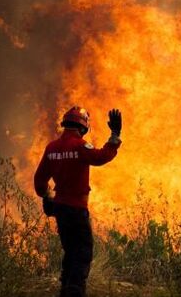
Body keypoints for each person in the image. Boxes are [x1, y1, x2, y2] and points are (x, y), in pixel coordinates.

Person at [33, 106, 122, 297]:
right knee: (82, 252)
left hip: (60, 209)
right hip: (77, 209)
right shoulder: (80, 146)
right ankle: (74, 291)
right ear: (83, 128)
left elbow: (39, 181)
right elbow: (102, 157)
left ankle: (65, 289)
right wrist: (115, 135)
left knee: (70, 250)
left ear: (65, 124)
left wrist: (47, 196)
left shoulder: (51, 148)